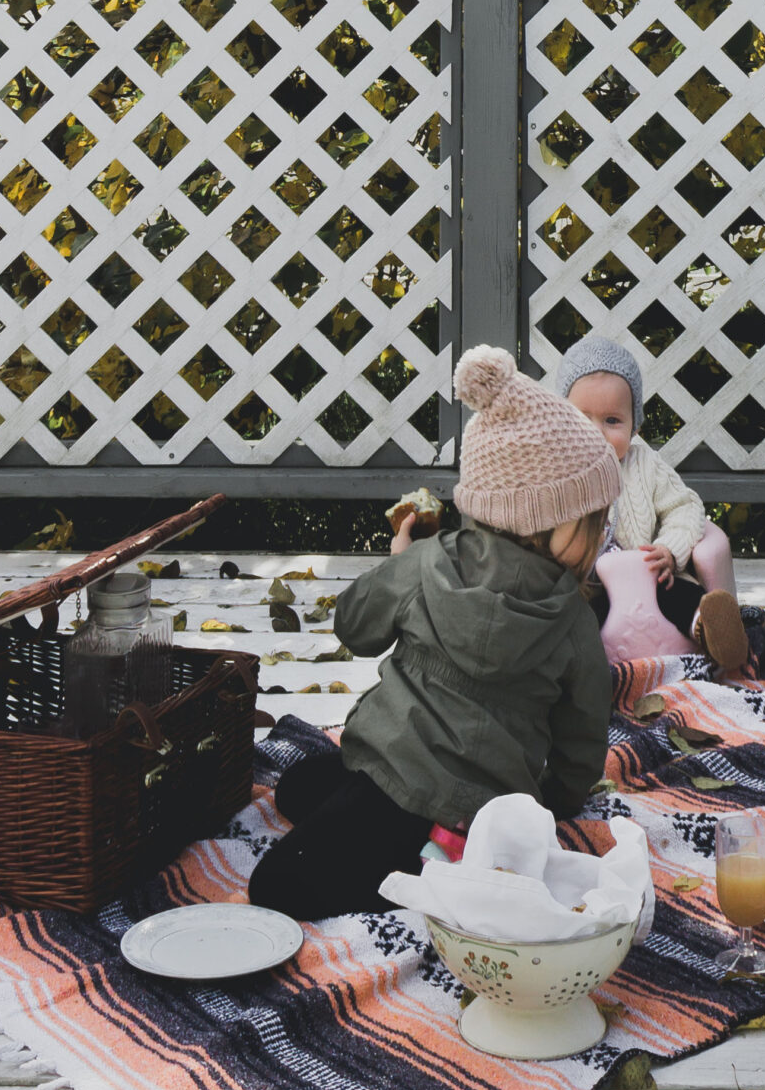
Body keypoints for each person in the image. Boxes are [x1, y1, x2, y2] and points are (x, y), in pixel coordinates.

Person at [247, 343, 619, 921]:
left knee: (274, 887)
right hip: (485, 805)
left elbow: (355, 625)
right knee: (299, 786)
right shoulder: (573, 620)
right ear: (548, 518)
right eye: (593, 521)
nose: (600, 536)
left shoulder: (427, 563)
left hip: (392, 774)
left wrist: (398, 560)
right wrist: (551, 805)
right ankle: (441, 849)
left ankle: (410, 882)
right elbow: (581, 739)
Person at [557, 333, 749, 671]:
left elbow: (686, 508)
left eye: (612, 421)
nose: (596, 433)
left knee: (678, 595)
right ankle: (580, 673)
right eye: (581, 418)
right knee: (575, 618)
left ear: (633, 426)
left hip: (648, 579)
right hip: (589, 589)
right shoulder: (554, 472)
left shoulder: (644, 464)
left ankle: (712, 630)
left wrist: (669, 551)